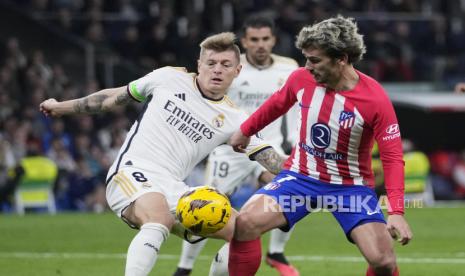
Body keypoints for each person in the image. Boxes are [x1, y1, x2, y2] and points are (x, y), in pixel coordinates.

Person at [39, 32, 286, 276]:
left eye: (225, 65)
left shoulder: (236, 119)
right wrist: (61, 107)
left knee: (244, 230)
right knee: (159, 220)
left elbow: (271, 159)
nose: (217, 70)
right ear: (199, 65)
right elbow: (112, 98)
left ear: (237, 71)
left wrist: (313, 172)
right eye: (211, 63)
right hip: (132, 172)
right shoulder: (168, 78)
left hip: (175, 187)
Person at [228, 15, 413, 276]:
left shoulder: (375, 100)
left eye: (315, 60)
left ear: (342, 58)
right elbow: (277, 104)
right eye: (306, 58)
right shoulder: (300, 79)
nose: (308, 66)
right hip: (300, 179)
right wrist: (245, 131)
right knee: (245, 223)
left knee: (382, 261)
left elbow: (393, 158)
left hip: (350, 189)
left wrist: (396, 211)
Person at [173, 14, 300, 276]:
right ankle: (184, 268)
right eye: (254, 40)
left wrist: (295, 140)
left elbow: (294, 107)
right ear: (245, 41)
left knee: (292, 191)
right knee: (207, 206)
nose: (260, 45)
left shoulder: (289, 68)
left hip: (268, 146)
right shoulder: (230, 65)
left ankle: (276, 252)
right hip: (229, 149)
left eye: (265, 39)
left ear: (274, 40)